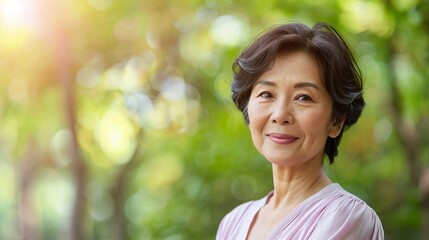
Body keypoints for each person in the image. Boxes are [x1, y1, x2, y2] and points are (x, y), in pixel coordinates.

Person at [216, 22, 384, 240]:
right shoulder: (233, 222)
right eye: (266, 94)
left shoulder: (345, 217)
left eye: (303, 97)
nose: (280, 114)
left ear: (336, 122)